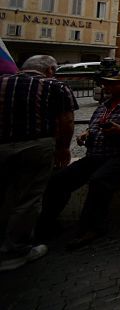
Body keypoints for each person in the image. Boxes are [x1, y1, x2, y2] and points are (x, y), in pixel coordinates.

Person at [37, 73, 120, 250]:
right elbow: (94, 125)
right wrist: (87, 133)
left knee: (99, 181)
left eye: (111, 84)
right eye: (105, 84)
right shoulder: (104, 106)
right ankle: (47, 223)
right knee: (58, 180)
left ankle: (91, 228)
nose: (106, 87)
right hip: (94, 155)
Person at [0, 55, 76, 271]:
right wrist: (63, 148)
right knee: (28, 199)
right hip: (36, 146)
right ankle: (15, 251)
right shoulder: (55, 87)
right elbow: (67, 121)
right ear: (51, 70)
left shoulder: (2, 82)